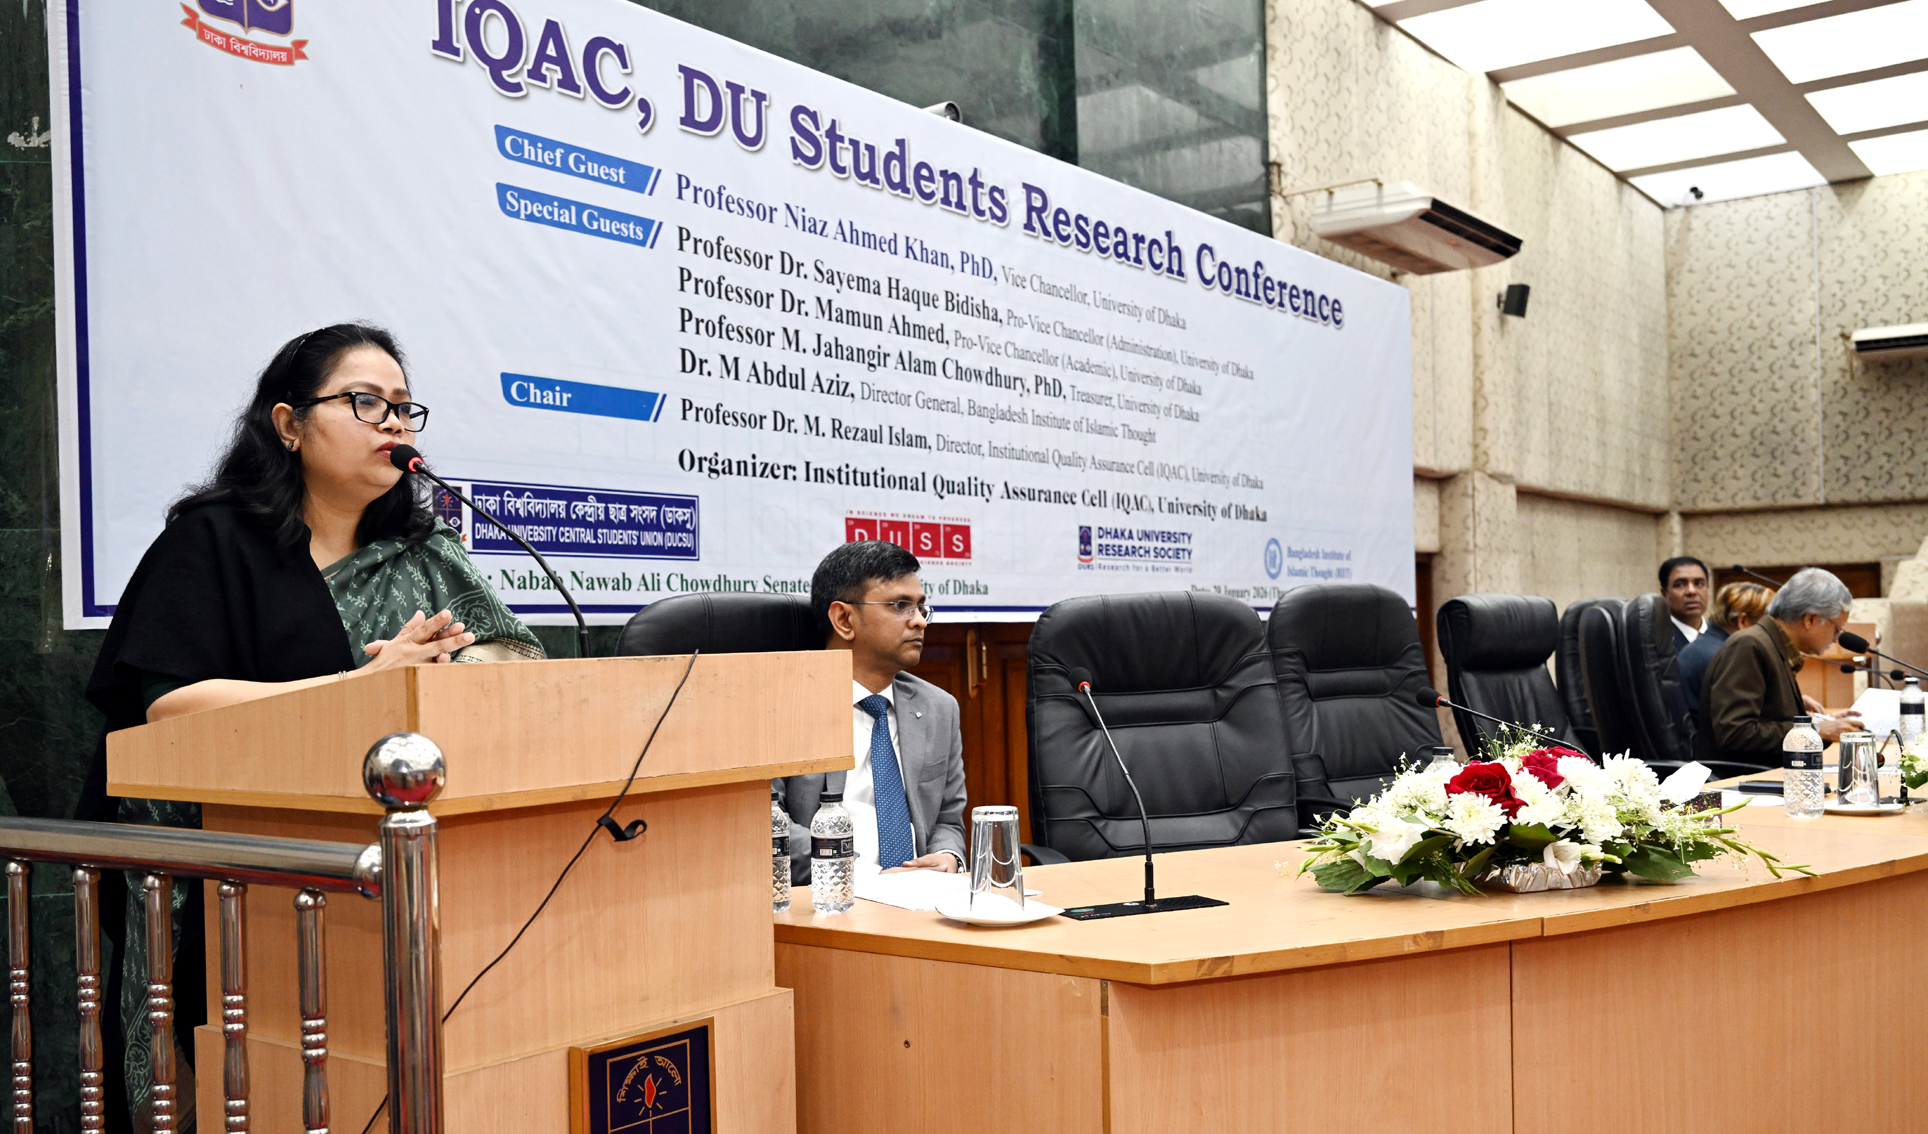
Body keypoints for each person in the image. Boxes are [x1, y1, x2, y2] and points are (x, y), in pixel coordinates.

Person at [85, 323, 542, 1128]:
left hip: (388, 881)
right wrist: (359, 687)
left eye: (404, 406)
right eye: (366, 401)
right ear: (289, 425)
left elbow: (519, 666)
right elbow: (169, 707)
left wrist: (461, 669)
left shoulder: (422, 553)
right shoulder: (212, 540)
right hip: (223, 879)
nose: (394, 422)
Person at [775, 540, 967, 884]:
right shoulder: (779, 706)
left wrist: (947, 857)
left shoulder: (939, 708)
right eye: (900, 606)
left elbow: (947, 819)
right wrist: (863, 875)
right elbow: (766, 825)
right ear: (844, 619)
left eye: (921, 608)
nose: (920, 622)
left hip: (922, 896)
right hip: (827, 896)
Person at [1698, 568, 1862, 763]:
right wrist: (1816, 730)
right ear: (1810, 619)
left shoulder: (1773, 643)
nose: (1836, 639)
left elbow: (1770, 718)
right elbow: (1735, 733)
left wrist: (1823, 723)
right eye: (1836, 629)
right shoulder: (1750, 645)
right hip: (1746, 777)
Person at [1678, 582, 1773, 715]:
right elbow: (1739, 721)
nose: (1773, 632)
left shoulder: (1701, 647)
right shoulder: (1729, 658)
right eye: (1768, 624)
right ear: (1743, 621)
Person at [1659, 556, 1711, 649]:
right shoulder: (1657, 642)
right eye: (1680, 585)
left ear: (1707, 589)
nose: (1691, 591)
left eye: (1699, 584)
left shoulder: (1723, 638)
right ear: (1664, 593)